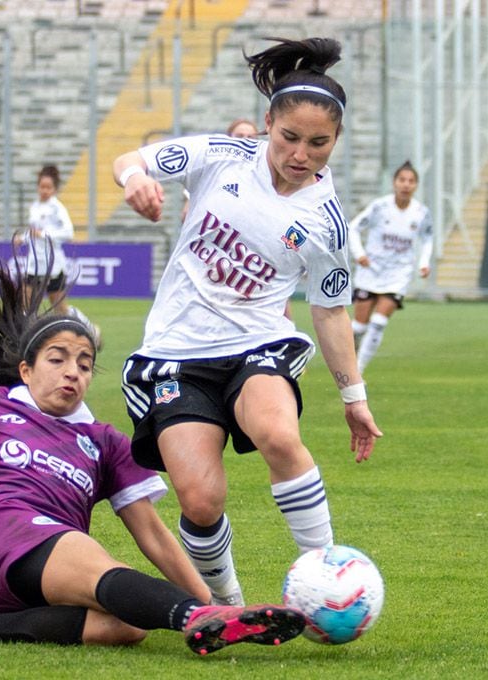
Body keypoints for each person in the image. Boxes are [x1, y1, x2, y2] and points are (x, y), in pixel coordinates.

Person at [0, 230, 305, 656]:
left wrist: (208, 595)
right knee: (89, 556)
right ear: (27, 369)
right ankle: (197, 622)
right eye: (58, 359)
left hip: (47, 575)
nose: (73, 370)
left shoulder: (105, 441)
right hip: (0, 544)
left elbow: (153, 533)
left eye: (85, 363)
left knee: (127, 628)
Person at [112, 37, 383, 607]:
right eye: (289, 138)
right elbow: (130, 159)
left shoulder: (327, 223)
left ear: (336, 140)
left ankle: (327, 578)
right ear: (267, 124)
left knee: (279, 434)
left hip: (258, 342)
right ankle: (230, 606)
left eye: (319, 143)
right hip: (176, 352)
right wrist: (133, 179)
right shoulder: (220, 155)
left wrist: (353, 396)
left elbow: (330, 311)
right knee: (200, 501)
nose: (301, 154)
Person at [348, 160, 434, 373]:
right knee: (358, 326)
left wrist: (423, 263)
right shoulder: (380, 207)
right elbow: (353, 228)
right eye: (402, 180)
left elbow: (428, 239)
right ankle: (347, 360)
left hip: (398, 273)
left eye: (411, 181)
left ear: (416, 185)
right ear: (394, 183)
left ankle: (358, 371)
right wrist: (359, 254)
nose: (406, 185)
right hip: (371, 270)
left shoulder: (421, 213)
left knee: (378, 322)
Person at [20, 164, 101, 344]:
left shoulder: (57, 208)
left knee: (59, 308)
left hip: (52, 264)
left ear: (55, 189)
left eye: (48, 187)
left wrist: (44, 235)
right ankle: (27, 339)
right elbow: (35, 232)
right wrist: (23, 237)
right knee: (26, 302)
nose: (45, 190)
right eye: (42, 186)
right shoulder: (34, 206)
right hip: (34, 263)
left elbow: (68, 233)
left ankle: (89, 328)